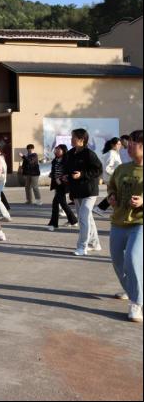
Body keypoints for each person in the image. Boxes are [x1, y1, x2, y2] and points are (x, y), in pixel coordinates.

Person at [107, 129, 143, 322]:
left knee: (132, 258)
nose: (129, 146)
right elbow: (111, 186)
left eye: (134, 143)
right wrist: (111, 196)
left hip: (140, 223)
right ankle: (132, 289)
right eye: (129, 142)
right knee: (117, 260)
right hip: (119, 221)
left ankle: (136, 302)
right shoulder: (122, 169)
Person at [64, 128, 103, 256]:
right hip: (77, 191)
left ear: (81, 139)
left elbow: (98, 170)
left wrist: (82, 174)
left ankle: (82, 247)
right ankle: (95, 244)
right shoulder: (70, 153)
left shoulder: (89, 154)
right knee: (88, 218)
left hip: (89, 191)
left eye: (73, 137)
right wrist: (67, 177)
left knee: (83, 218)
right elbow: (69, 170)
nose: (71, 139)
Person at [46, 144, 78, 231]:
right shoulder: (55, 160)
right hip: (57, 184)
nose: (56, 151)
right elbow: (55, 171)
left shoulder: (67, 160)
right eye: (56, 149)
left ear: (63, 151)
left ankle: (53, 224)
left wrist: (63, 178)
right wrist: (52, 175)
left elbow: (69, 172)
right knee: (61, 203)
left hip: (64, 185)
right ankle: (73, 220)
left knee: (56, 203)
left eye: (58, 149)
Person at [96, 137, 123, 214]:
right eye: (118, 144)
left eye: (120, 144)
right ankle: (100, 208)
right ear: (112, 145)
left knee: (114, 194)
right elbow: (107, 168)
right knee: (117, 194)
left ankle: (101, 208)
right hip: (112, 178)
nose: (120, 146)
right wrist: (116, 174)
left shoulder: (113, 153)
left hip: (111, 178)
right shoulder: (111, 153)